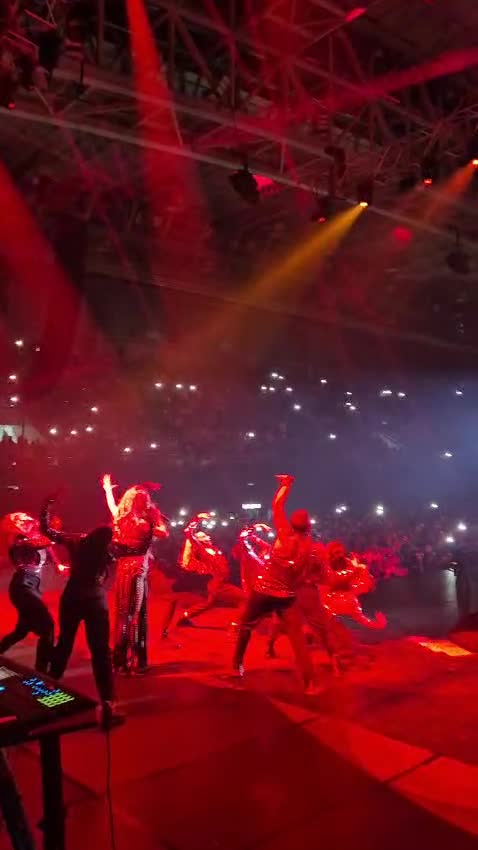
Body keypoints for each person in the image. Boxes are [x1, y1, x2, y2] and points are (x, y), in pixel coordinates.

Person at [40, 494, 150, 730]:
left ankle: (49, 689)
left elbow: (47, 531)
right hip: (95, 601)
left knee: (64, 643)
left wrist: (47, 506)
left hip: (72, 597)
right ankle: (107, 703)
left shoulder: (78, 540)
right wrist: (149, 525)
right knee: (100, 653)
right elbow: (140, 548)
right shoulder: (111, 550)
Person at [232, 474, 318, 694]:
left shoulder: (284, 533)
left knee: (246, 625)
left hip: (263, 591)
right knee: (297, 638)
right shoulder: (308, 547)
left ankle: (237, 665)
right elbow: (302, 575)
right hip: (286, 597)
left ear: (293, 524)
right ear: (308, 526)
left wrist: (286, 485)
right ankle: (309, 683)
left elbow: (277, 506)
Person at [102, 474, 168, 673]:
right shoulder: (143, 523)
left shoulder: (121, 517)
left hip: (124, 569)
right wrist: (156, 515)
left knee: (124, 614)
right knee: (131, 616)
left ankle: (122, 659)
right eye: (145, 499)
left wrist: (107, 489)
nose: (147, 501)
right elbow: (164, 533)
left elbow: (112, 505)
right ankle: (123, 660)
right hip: (137, 570)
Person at [0, 512, 54, 672]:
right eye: (26, 521)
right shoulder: (19, 541)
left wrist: (59, 565)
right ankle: (41, 670)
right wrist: (49, 531)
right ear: (18, 524)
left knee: (21, 631)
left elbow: (47, 550)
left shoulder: (33, 540)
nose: (31, 522)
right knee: (48, 627)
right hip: (23, 588)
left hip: (31, 588)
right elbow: (44, 542)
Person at [176, 513, 242, 627]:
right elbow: (188, 532)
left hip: (219, 583)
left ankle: (184, 617)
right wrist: (197, 518)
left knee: (208, 604)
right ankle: (239, 624)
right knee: (244, 598)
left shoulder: (213, 548)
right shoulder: (201, 549)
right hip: (218, 585)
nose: (208, 536)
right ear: (199, 540)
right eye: (204, 536)